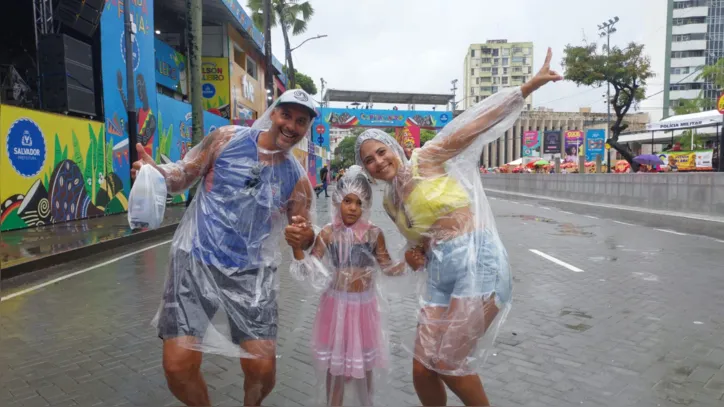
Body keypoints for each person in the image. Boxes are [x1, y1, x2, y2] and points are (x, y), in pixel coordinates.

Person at [354, 48, 561, 406]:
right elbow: (416, 242)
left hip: (476, 260)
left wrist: (524, 90)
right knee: (422, 368)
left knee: (450, 362)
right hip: (438, 273)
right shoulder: (390, 202)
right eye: (368, 160)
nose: (377, 162)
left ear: (394, 148)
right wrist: (414, 254)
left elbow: (473, 126)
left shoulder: (428, 158)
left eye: (381, 152)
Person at [131, 89, 318, 407]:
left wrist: (306, 237)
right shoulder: (225, 139)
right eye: (286, 115)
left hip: (252, 274)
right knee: (177, 365)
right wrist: (156, 173)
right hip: (195, 261)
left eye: (301, 121)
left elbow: (305, 237)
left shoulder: (297, 179)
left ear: (306, 129)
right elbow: (183, 175)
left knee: (262, 368)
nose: (291, 126)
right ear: (273, 113)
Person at [288, 167, 423, 406]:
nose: (352, 208)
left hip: (364, 310)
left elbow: (387, 267)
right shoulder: (328, 234)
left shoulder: (373, 234)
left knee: (364, 366)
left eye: (359, 203)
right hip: (335, 306)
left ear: (366, 206)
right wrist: (297, 249)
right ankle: (334, 403)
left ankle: (366, 402)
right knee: (335, 367)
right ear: (338, 200)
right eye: (347, 201)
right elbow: (311, 269)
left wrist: (408, 264)